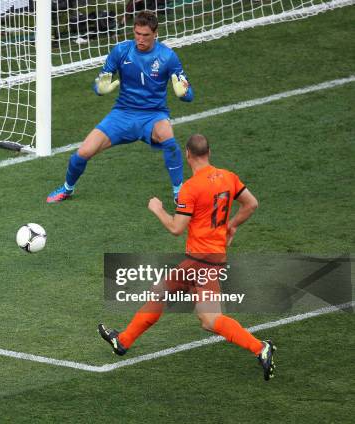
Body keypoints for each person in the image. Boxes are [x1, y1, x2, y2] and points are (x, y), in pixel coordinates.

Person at [98, 134, 277, 381]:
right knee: (171, 298)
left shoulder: (190, 188)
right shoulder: (228, 177)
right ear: (209, 152)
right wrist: (232, 226)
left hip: (201, 260)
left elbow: (175, 228)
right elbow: (251, 204)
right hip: (211, 256)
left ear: (187, 154)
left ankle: (260, 348)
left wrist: (158, 209)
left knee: (210, 319)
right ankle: (123, 341)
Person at [47, 10, 193, 204]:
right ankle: (67, 188)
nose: (140, 39)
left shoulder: (168, 56)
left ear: (156, 33)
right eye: (137, 34)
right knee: (82, 153)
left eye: (146, 35)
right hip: (122, 113)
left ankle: (179, 192)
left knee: (169, 140)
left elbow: (189, 93)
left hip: (153, 115)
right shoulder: (121, 51)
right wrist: (100, 87)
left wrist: (184, 93)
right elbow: (101, 80)